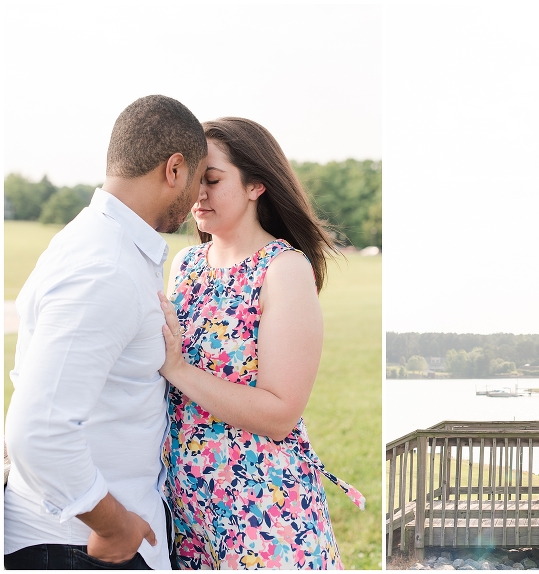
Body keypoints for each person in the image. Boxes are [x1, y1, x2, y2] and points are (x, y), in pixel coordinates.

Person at [4, 95, 208, 570]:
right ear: (174, 169)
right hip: (76, 546)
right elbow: (39, 430)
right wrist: (114, 524)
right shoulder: (106, 267)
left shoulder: (99, 243)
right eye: (199, 180)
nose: (198, 197)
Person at [158, 117, 365, 569]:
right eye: (194, 181)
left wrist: (179, 371)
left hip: (263, 510)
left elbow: (280, 413)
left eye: (212, 180)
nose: (198, 195)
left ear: (256, 186)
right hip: (188, 515)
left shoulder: (283, 269)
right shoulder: (186, 264)